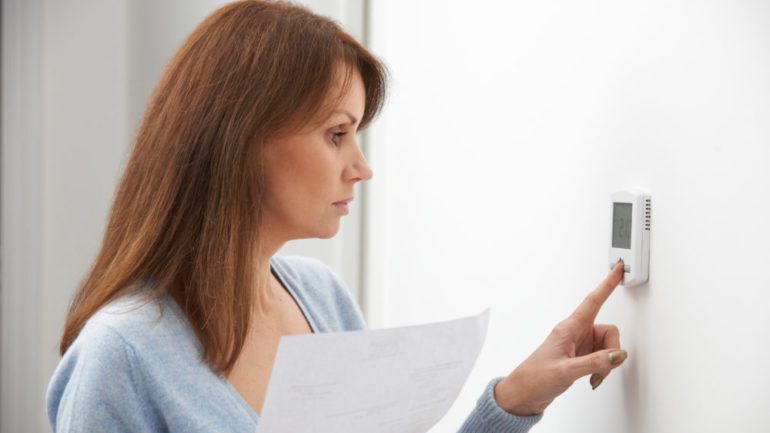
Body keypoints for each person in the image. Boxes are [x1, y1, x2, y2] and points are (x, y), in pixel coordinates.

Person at [45, 1, 628, 432]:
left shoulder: (322, 299)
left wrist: (515, 399)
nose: (361, 168)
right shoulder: (118, 355)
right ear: (241, 139)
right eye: (336, 134)